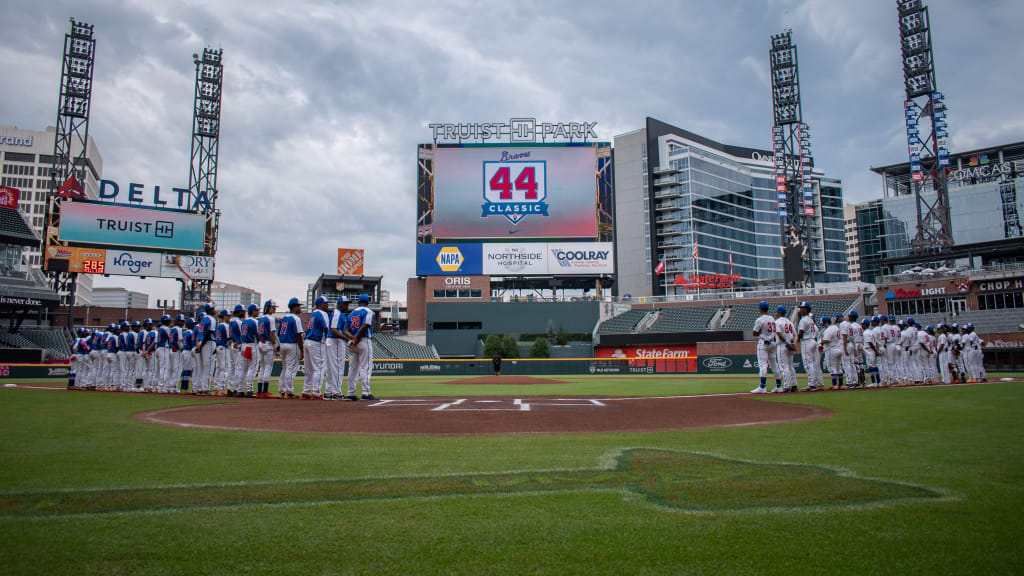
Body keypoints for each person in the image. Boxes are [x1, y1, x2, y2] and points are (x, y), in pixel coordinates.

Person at [346, 294, 379, 401]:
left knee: (352, 368)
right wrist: (357, 339)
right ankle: (366, 393)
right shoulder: (368, 311)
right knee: (365, 367)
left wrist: (353, 339)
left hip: (352, 342)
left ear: (358, 302)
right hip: (363, 340)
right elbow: (365, 325)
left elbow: (345, 330)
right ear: (368, 302)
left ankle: (351, 393)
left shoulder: (351, 314)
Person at [750, 301, 782, 394]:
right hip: (772, 343)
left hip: (764, 343)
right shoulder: (772, 318)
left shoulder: (760, 320)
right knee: (774, 365)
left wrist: (761, 332)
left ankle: (762, 387)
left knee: (763, 365)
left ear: (760, 309)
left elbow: (754, 333)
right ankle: (779, 386)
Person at [302, 296, 330, 399]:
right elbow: (327, 329)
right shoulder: (323, 314)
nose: (327, 305)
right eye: (325, 303)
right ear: (319, 304)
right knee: (319, 368)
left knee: (309, 369)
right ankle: (316, 392)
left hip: (307, 341)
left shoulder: (313, 314)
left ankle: (306, 391)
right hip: (316, 342)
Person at [277, 298, 304, 398]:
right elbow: (299, 335)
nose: (300, 308)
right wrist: (302, 350)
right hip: (292, 344)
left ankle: (281, 391)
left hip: (283, 344)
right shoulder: (296, 319)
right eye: (299, 306)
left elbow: (279, 333)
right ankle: (289, 392)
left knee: (284, 368)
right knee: (290, 369)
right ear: (295, 307)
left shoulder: (284, 318)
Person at [325, 297, 351, 400]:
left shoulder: (338, 314)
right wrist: (346, 339)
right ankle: (336, 392)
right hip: (335, 341)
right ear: (339, 304)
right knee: (337, 367)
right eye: (345, 304)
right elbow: (334, 330)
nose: (346, 306)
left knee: (332, 368)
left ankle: (329, 392)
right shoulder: (337, 313)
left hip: (333, 341)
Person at [256, 300, 279, 398]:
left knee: (262, 368)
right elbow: (272, 334)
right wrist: (275, 348)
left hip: (261, 343)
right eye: (273, 307)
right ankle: (265, 392)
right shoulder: (270, 319)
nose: (275, 309)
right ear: (268, 308)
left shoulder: (261, 318)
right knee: (268, 368)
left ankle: (259, 391)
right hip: (268, 343)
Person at [796, 302, 821, 391]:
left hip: (807, 341)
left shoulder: (803, 320)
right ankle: (816, 382)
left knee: (808, 364)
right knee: (813, 364)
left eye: (802, 308)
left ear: (806, 309)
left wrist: (797, 340)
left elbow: (800, 333)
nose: (800, 309)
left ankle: (811, 384)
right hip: (813, 341)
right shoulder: (810, 319)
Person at [237, 304, 260, 398]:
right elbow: (258, 335)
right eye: (257, 310)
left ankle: (240, 390)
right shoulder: (255, 321)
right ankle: (249, 390)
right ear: (253, 311)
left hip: (243, 345)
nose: (258, 312)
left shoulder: (244, 322)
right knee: (252, 368)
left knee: (243, 369)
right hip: (251, 345)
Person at [194, 304, 217, 394]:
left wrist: (199, 345)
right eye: (213, 308)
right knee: (208, 366)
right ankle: (205, 388)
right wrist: (201, 346)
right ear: (209, 310)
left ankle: (199, 388)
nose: (214, 310)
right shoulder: (211, 319)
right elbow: (209, 333)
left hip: (201, 342)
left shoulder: (203, 320)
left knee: (201, 367)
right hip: (208, 343)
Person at [212, 309, 232, 396]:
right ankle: (221, 388)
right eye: (228, 316)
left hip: (218, 347)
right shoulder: (225, 326)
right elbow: (229, 339)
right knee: (225, 368)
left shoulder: (219, 326)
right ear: (224, 316)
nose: (229, 318)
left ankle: (216, 388)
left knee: (219, 368)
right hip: (223, 347)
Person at [820, 315, 843, 389]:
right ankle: (840, 384)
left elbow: (826, 340)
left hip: (831, 350)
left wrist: (821, 341)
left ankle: (834, 384)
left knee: (832, 368)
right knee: (838, 367)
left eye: (823, 324)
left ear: (826, 322)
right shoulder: (836, 327)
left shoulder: (829, 329)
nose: (823, 326)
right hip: (839, 348)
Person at [227, 304, 245, 396]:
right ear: (238, 312)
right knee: (238, 367)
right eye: (242, 311)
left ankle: (230, 388)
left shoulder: (231, 322)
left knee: (232, 367)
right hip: (238, 345)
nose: (244, 313)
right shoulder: (238, 322)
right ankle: (237, 388)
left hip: (232, 344)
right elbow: (243, 334)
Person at [862, 318, 881, 387]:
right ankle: (878, 382)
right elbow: (875, 342)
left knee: (871, 366)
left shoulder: (866, 332)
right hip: (872, 349)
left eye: (863, 324)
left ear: (865, 325)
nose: (862, 325)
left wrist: (876, 351)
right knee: (875, 366)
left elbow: (870, 342)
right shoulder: (871, 331)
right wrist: (876, 351)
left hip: (870, 349)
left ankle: (873, 382)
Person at [180, 318, 196, 393]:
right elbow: (193, 343)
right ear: (189, 324)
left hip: (184, 351)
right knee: (188, 370)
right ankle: (185, 388)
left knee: (185, 369)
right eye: (193, 323)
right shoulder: (191, 333)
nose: (194, 325)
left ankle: (183, 387)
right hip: (188, 351)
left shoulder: (185, 332)